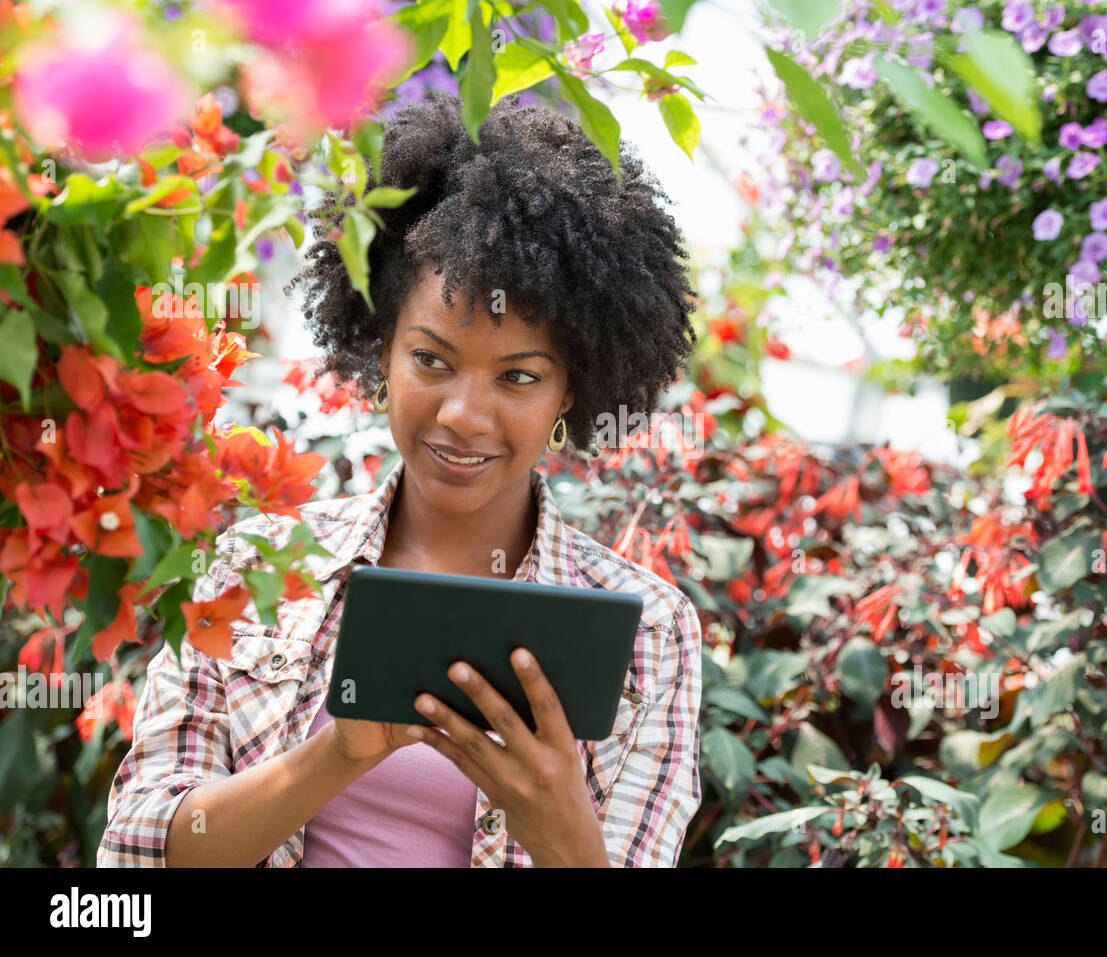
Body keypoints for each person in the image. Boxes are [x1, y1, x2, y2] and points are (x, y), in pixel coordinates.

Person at [97, 91, 703, 868]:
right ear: (380, 349)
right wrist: (337, 754)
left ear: (570, 392)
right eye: (431, 359)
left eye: (518, 377)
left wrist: (562, 828)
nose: (464, 414)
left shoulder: (651, 632)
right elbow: (140, 855)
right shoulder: (257, 567)